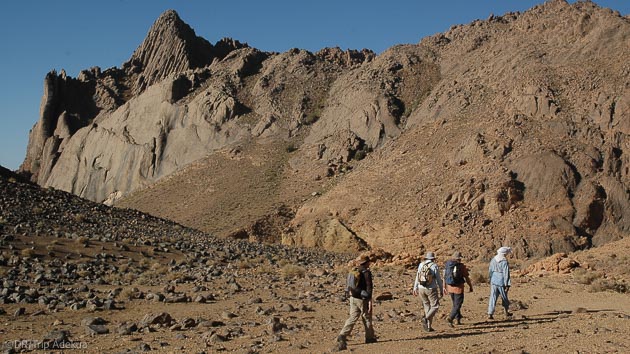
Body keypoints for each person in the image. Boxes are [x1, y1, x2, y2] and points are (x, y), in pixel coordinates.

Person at [336, 254, 376, 350]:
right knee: (366, 317)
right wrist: (369, 300)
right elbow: (369, 287)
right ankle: (370, 338)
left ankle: (342, 335)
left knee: (353, 317)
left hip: (352, 297)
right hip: (362, 299)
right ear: (367, 263)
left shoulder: (355, 270)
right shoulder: (366, 272)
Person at [412, 252, 443, 332]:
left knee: (426, 306)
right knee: (435, 306)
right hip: (431, 288)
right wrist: (441, 289)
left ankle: (428, 327)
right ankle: (425, 319)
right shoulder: (434, 266)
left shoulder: (421, 265)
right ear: (433, 259)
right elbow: (438, 279)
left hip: (421, 288)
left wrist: (415, 288)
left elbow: (417, 276)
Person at [443, 251, 473, 327]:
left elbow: (444, 277)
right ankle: (450, 318)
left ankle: (458, 319)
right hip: (458, 288)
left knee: (455, 304)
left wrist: (444, 286)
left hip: (450, 287)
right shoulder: (461, 266)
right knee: (457, 305)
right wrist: (470, 286)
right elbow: (466, 277)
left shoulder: (447, 265)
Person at [487, 246, 513, 319]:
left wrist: (490, 279)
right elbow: (506, 273)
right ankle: (506, 312)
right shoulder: (504, 261)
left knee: (493, 297)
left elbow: (490, 270)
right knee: (504, 297)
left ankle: (490, 313)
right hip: (501, 281)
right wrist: (507, 284)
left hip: (494, 280)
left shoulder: (494, 259)